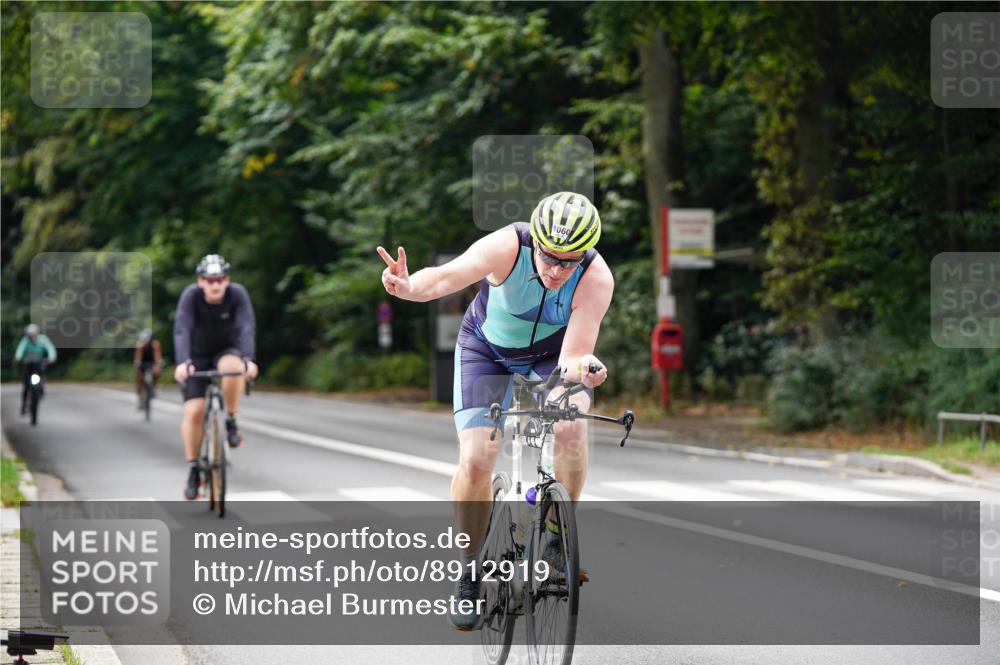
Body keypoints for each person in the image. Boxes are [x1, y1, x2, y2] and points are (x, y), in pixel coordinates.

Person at [377, 191, 613, 630]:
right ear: (535, 243)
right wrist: (408, 287)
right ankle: (468, 569)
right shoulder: (508, 245)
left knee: (573, 426)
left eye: (569, 261)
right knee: (477, 457)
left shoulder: (596, 278)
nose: (557, 270)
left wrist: (587, 370)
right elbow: (447, 277)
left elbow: (574, 356)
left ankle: (557, 543)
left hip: (549, 358)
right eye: (549, 258)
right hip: (486, 352)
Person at [173, 254, 259, 500]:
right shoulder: (190, 297)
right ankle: (193, 469)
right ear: (200, 281)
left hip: (226, 350)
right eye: (209, 280)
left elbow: (246, 326)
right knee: (194, 412)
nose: (215, 285)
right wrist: (183, 362)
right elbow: (182, 328)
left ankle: (231, 418)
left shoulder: (237, 295)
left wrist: (248, 359)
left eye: (219, 279)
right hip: (196, 356)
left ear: (227, 280)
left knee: (234, 366)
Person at [14, 323, 58, 416]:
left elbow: (50, 349)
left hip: (38, 365)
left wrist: (51, 357)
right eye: (30, 335)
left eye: (34, 334)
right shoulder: (25, 341)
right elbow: (20, 350)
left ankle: (40, 390)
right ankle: (24, 405)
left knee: (40, 377)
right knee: (26, 386)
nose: (32, 337)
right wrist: (18, 357)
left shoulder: (43, 340)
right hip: (28, 365)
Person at [133, 329, 163, 409]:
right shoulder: (139, 345)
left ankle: (154, 387)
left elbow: (157, 356)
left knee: (156, 372)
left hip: (151, 362)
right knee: (139, 378)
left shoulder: (155, 344)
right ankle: (140, 397)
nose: (144, 341)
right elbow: (138, 357)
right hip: (142, 363)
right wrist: (137, 364)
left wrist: (158, 364)